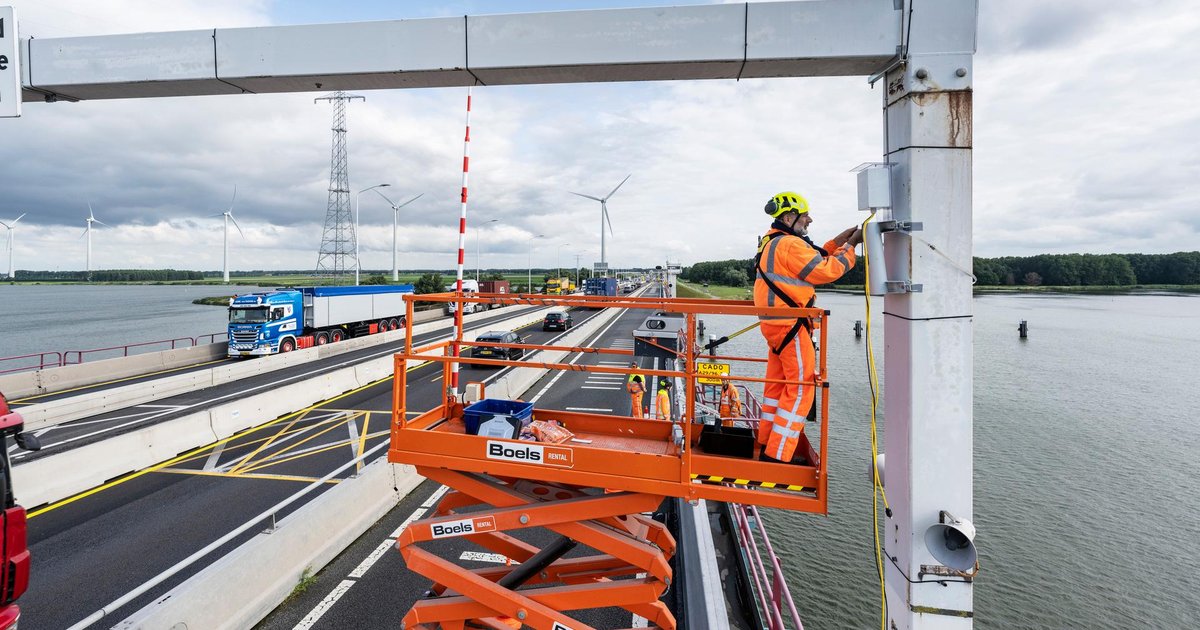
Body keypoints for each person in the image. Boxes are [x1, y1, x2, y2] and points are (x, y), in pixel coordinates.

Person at [754, 191, 862, 463]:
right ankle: (778, 455)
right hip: (791, 326)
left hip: (776, 326)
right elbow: (824, 270)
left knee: (777, 386)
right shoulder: (790, 245)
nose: (810, 220)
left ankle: (768, 441)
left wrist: (839, 241)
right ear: (790, 217)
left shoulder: (773, 242)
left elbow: (814, 254)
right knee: (802, 387)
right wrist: (851, 248)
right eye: (805, 216)